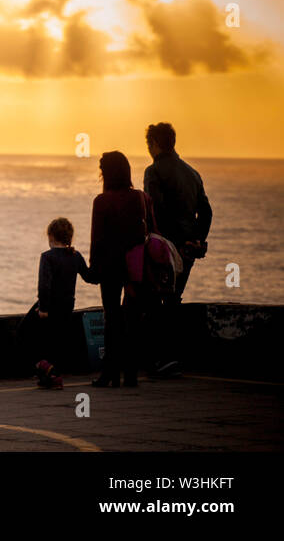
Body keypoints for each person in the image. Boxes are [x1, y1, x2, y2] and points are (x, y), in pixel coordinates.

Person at [142, 122, 212, 377]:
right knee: (173, 299)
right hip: (188, 249)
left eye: (149, 144)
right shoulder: (192, 173)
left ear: (156, 144)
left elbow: (155, 210)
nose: (149, 149)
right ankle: (172, 357)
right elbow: (206, 211)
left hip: (166, 248)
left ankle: (158, 359)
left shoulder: (154, 171)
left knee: (154, 300)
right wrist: (197, 239)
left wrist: (162, 241)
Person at [89, 151, 153, 388]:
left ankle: (110, 373)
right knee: (133, 319)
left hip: (109, 268)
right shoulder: (140, 198)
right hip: (135, 266)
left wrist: (93, 269)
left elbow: (97, 240)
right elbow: (149, 233)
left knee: (112, 319)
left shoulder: (102, 201)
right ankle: (131, 374)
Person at [28, 217, 94, 389]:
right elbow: (89, 277)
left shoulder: (47, 257)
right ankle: (51, 377)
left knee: (25, 332)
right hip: (67, 305)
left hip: (50, 305)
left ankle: (47, 369)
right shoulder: (75, 255)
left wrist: (43, 308)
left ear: (50, 236)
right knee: (55, 340)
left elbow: (44, 286)